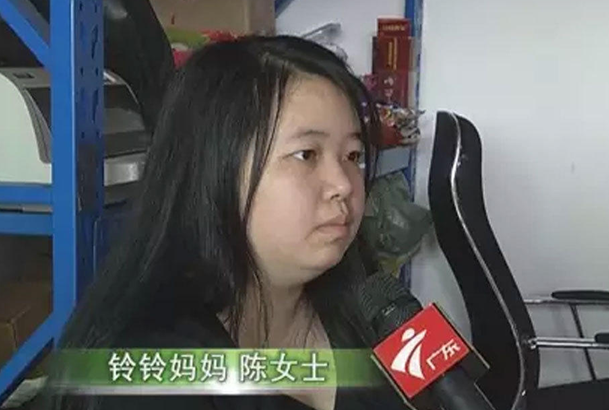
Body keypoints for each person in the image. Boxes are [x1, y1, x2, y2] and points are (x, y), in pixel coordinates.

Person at [41, 35, 420, 410]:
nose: (343, 184)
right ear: (215, 168)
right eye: (306, 154)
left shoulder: (376, 306)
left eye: (352, 155)